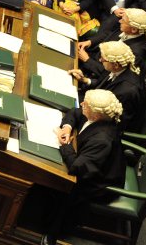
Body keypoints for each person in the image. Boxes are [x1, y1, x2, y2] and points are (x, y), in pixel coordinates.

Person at [42, 90, 125, 245]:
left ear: (96, 114)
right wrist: (66, 128)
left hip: (99, 182)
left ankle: (52, 233)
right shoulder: (97, 117)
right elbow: (75, 112)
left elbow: (76, 168)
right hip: (89, 163)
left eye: (85, 104)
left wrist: (65, 145)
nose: (81, 105)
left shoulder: (102, 139)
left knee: (66, 187)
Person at [70, 41, 146, 132]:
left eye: (103, 59)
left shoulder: (126, 91)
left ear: (116, 65)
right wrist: (85, 80)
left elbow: (113, 121)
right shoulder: (117, 69)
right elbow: (103, 87)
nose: (100, 60)